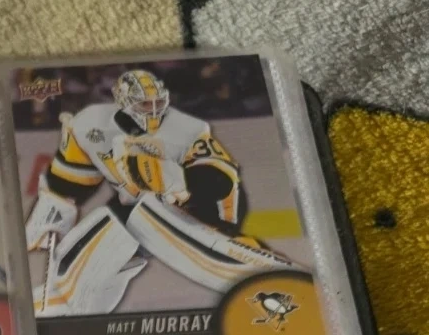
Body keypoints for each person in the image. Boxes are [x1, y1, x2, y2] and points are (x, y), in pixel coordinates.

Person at [25, 68, 294, 316]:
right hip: (138, 208)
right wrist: (52, 215)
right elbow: (69, 180)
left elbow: (220, 180)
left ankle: (270, 274)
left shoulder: (187, 130)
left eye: (158, 103)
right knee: (75, 271)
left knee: (210, 256)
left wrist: (176, 182)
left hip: (199, 210)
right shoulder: (90, 123)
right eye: (145, 104)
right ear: (122, 101)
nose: (153, 110)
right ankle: (54, 314)